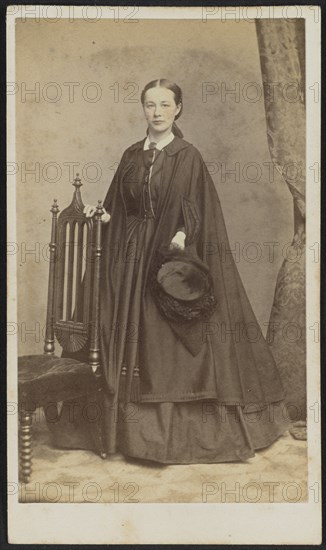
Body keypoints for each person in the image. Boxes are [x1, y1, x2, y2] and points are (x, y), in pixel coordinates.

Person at [81, 78, 289, 464]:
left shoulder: (187, 155)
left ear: (178, 109)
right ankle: (121, 435)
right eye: (149, 105)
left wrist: (180, 235)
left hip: (165, 253)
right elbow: (120, 207)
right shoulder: (130, 155)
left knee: (165, 340)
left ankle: (169, 438)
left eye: (164, 105)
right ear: (142, 109)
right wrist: (104, 215)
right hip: (127, 257)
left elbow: (196, 210)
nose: (156, 112)